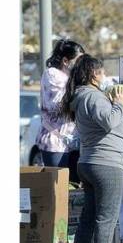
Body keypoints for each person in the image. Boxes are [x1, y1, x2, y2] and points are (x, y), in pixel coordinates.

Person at [61, 54, 123, 243]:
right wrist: (119, 104)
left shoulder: (81, 96)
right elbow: (109, 121)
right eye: (101, 72)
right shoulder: (93, 96)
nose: (104, 76)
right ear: (93, 74)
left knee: (89, 219)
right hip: (106, 163)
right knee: (106, 219)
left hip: (89, 162)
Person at [37, 38, 85, 183]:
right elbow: (58, 104)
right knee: (59, 187)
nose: (81, 65)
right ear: (65, 61)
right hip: (55, 142)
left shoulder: (71, 78)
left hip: (73, 142)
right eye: (78, 60)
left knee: (74, 187)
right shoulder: (52, 74)